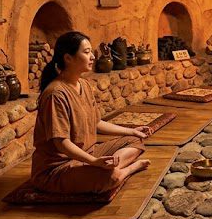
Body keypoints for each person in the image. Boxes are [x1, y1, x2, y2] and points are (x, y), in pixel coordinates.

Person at [30, 31, 151, 195]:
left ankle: (109, 167)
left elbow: (97, 123)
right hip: (57, 169)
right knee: (111, 177)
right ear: (68, 58)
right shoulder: (55, 94)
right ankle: (126, 170)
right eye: (86, 52)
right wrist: (94, 162)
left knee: (135, 141)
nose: (93, 56)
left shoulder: (84, 85)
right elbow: (61, 143)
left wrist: (132, 130)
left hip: (88, 153)